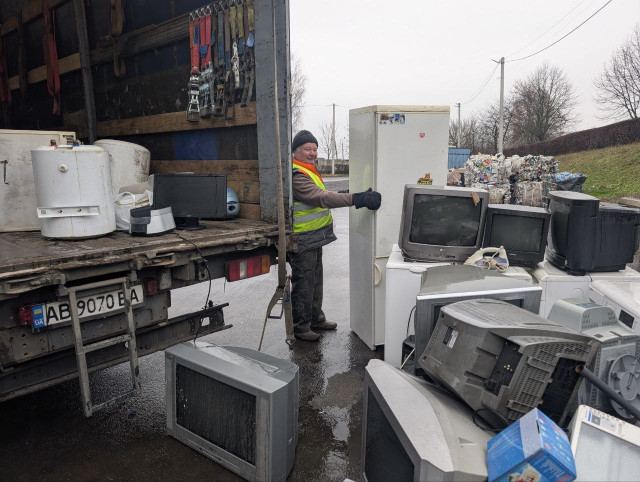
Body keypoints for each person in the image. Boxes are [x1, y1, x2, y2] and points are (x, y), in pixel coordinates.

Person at [289, 130, 381, 341]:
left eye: (314, 149)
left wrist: (346, 194)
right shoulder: (296, 175)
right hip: (302, 238)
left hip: (314, 236)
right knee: (304, 284)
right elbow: (321, 198)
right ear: (296, 151)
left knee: (315, 281)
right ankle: (301, 327)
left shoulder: (309, 171)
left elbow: (325, 195)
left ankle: (316, 319)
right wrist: (356, 198)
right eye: (307, 149)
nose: (312, 153)